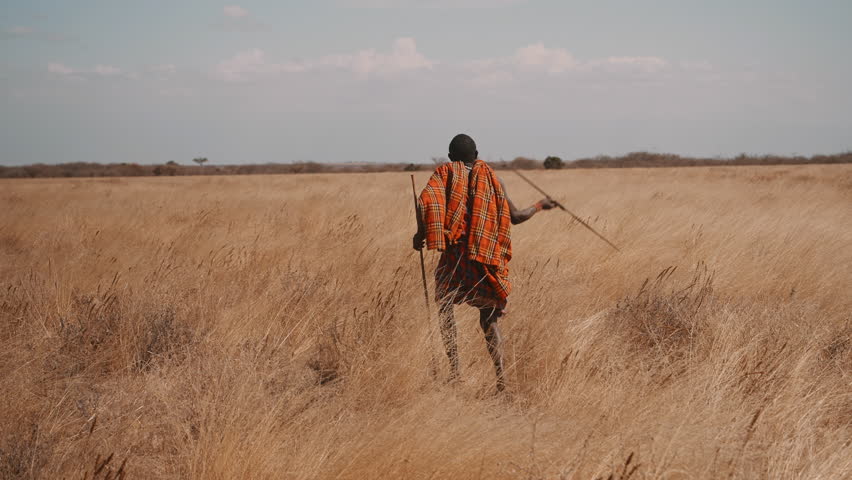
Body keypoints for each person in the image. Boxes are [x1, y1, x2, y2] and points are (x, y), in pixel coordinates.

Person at [413, 134, 556, 392]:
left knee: (445, 309)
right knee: (489, 319)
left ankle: (455, 372)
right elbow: (517, 216)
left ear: (450, 156)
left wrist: (420, 235)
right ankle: (502, 381)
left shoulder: (444, 175)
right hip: (484, 257)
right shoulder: (493, 179)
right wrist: (541, 205)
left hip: (454, 257)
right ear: (477, 153)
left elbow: (427, 203)